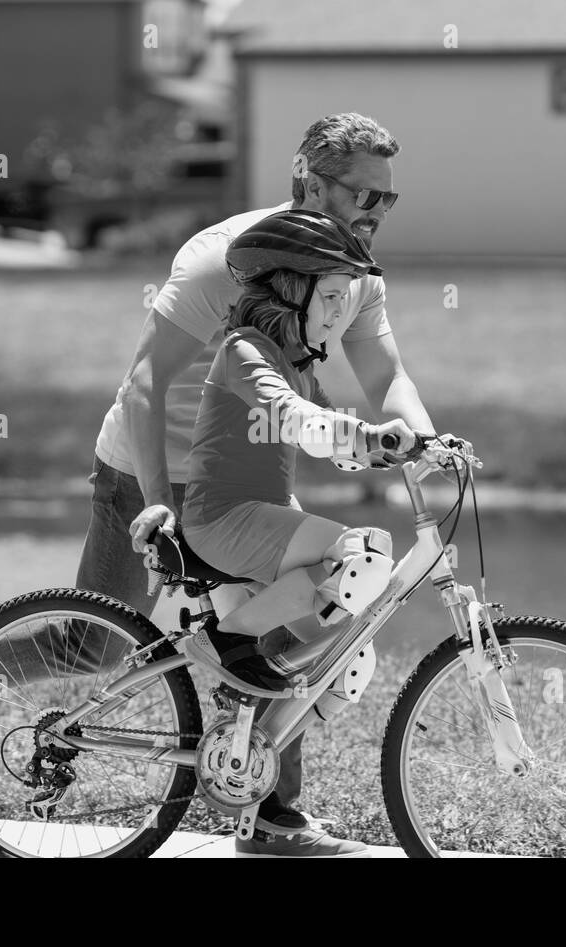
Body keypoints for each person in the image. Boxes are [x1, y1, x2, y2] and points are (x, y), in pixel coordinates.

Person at [0, 112, 436, 857]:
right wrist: (161, 501)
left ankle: (269, 817)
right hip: (147, 469)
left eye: (386, 201)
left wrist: (425, 442)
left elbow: (385, 374)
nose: (375, 215)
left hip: (243, 474)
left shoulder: (353, 276)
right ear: (308, 179)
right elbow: (145, 382)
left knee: (291, 622)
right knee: (90, 645)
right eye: (363, 196)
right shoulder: (223, 261)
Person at [178, 208, 414, 706]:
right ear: (289, 290)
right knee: (363, 554)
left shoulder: (297, 366)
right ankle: (228, 640)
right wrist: (365, 433)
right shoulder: (245, 351)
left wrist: (402, 446)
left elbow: (336, 439)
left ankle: (242, 759)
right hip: (223, 519)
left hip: (265, 517)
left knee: (347, 664)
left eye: (343, 299)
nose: (336, 312)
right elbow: (297, 420)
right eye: (330, 297)